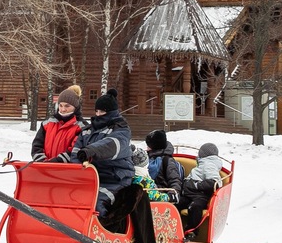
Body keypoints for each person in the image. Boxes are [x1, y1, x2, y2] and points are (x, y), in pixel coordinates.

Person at [62, 87, 133, 216]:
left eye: (102, 111)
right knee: (67, 198)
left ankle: (100, 232)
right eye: (97, 111)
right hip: (90, 177)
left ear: (111, 112)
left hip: (114, 178)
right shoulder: (88, 130)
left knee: (96, 202)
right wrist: (79, 167)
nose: (98, 114)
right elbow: (76, 151)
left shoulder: (122, 130)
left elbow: (111, 145)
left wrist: (90, 151)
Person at [178, 142, 223, 235]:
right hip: (189, 195)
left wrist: (196, 185)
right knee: (177, 202)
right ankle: (174, 228)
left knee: (195, 207)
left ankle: (192, 231)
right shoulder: (202, 164)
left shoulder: (209, 165)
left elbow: (215, 182)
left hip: (200, 196)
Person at [30, 85, 84, 162]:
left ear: (75, 107)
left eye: (67, 106)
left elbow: (76, 149)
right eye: (60, 105)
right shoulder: (47, 123)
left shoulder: (81, 127)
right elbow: (37, 144)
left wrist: (58, 161)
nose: (63, 109)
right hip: (43, 169)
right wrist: (41, 160)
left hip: (67, 170)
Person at [143, 129, 185, 196]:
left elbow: (175, 180)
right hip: (147, 195)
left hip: (163, 196)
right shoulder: (145, 159)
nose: (147, 148)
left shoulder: (167, 161)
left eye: (149, 145)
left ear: (154, 146)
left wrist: (171, 195)